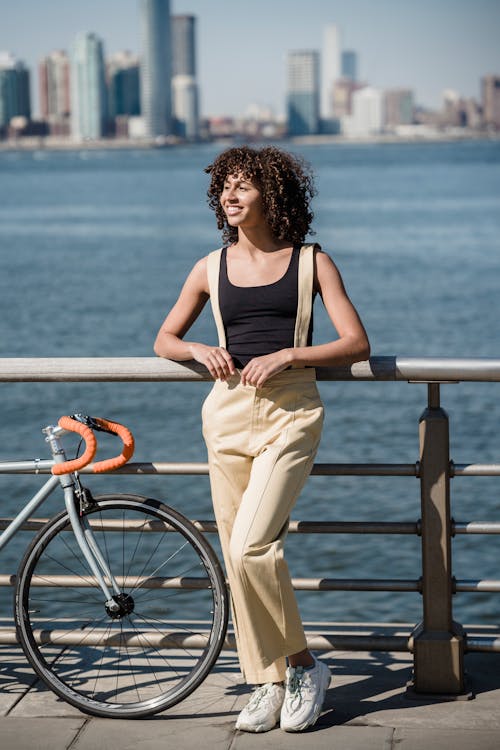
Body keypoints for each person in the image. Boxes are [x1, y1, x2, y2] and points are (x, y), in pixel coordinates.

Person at [154, 145, 370, 733]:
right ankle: (269, 681)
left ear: (271, 197)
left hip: (291, 412)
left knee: (251, 546)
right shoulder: (208, 266)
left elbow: (356, 343)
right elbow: (165, 339)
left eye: (243, 185)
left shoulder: (312, 263)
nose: (230, 194)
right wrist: (197, 348)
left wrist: (290, 354)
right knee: (236, 554)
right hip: (224, 415)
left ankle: (303, 666)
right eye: (224, 184)